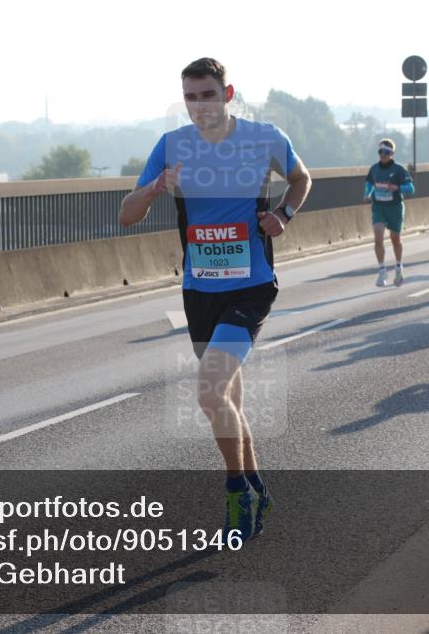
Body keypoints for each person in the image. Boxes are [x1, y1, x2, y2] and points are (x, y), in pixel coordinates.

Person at [119, 58, 312, 543]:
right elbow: (126, 214)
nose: (198, 106)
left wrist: (284, 214)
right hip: (199, 290)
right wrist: (155, 188)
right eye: (190, 97)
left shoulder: (263, 137)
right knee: (225, 397)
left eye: (207, 95)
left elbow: (302, 177)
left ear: (227, 95)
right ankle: (255, 482)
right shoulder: (171, 146)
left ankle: (235, 492)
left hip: (250, 286)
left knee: (208, 392)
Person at [365, 138, 415, 286]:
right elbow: (369, 183)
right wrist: (367, 194)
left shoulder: (399, 170)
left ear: (392, 153)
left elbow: (411, 189)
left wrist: (397, 188)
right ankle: (382, 271)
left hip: (395, 207)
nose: (383, 155)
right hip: (378, 207)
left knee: (395, 239)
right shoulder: (374, 169)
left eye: (386, 152)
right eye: (381, 152)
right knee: (378, 237)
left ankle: (399, 266)